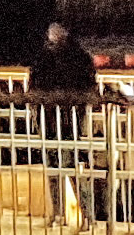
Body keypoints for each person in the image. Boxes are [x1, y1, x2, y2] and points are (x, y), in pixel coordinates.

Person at [30, 19, 98, 223]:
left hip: (53, 119)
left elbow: (34, 85)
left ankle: (62, 214)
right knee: (72, 167)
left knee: (58, 168)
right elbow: (89, 83)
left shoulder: (44, 57)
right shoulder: (79, 56)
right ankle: (84, 215)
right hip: (69, 120)